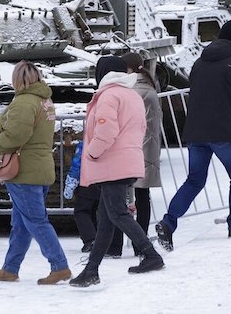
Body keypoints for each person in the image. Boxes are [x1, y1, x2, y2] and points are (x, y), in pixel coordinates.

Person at [155, 20, 231, 253]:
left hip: (196, 132)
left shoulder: (199, 63)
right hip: (223, 132)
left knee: (194, 180)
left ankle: (169, 222)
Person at [70, 56, 165, 288]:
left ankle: (150, 254)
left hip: (112, 163)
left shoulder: (109, 95)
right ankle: (91, 270)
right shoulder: (131, 94)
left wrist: (91, 153)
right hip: (127, 160)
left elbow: (106, 130)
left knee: (118, 214)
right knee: (106, 218)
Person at [0, 60, 72, 285]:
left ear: (18, 79)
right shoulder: (45, 101)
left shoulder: (23, 103)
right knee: (21, 222)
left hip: (24, 170)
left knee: (36, 221)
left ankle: (60, 266)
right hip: (39, 167)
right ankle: (10, 268)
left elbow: (16, 135)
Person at [121, 52, 162, 255]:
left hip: (137, 147)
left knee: (133, 196)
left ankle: (138, 243)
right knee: (142, 195)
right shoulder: (148, 86)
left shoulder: (133, 89)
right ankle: (141, 241)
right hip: (147, 146)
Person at [64, 141, 125, 257]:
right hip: (109, 179)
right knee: (107, 211)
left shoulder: (88, 140)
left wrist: (71, 181)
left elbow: (78, 162)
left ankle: (90, 240)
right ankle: (113, 245)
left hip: (88, 180)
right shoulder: (115, 141)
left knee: (82, 211)